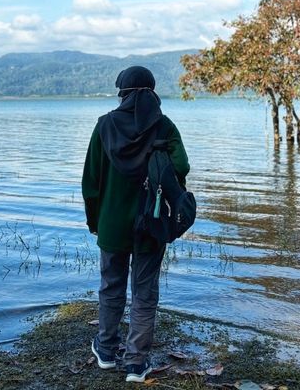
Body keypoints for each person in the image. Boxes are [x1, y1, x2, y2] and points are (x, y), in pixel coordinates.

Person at [82, 65, 190, 383]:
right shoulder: (163, 126)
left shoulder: (104, 126)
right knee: (144, 293)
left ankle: (105, 350)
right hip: (152, 223)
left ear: (122, 93)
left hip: (112, 224)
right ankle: (135, 362)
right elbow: (182, 166)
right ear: (152, 93)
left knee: (111, 286)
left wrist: (95, 221)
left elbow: (91, 182)